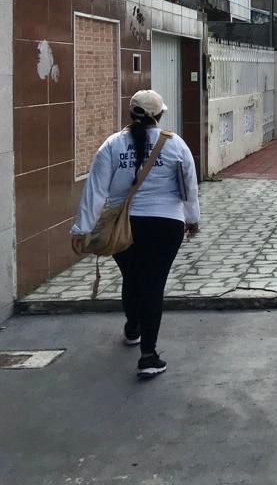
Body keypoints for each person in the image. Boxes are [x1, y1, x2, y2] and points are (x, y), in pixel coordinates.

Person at [71, 90, 200, 378]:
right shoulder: (175, 144)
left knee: (132, 277)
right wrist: (193, 219)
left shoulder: (112, 145)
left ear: (131, 114)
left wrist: (82, 229)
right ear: (159, 115)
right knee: (153, 284)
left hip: (123, 226)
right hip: (166, 225)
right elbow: (189, 186)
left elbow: (95, 190)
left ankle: (133, 327)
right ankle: (148, 356)